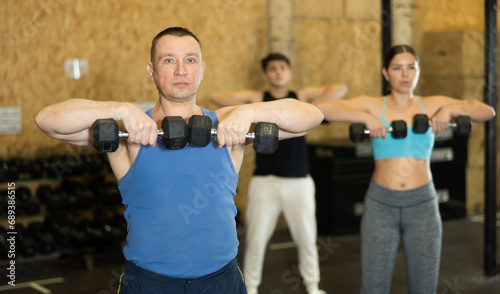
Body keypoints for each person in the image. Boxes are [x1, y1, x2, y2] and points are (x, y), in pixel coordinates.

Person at [35, 27, 324, 294]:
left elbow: (311, 117)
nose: (181, 70)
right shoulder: (127, 133)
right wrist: (122, 108)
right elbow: (47, 120)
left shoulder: (228, 124)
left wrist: (248, 113)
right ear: (151, 70)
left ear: (202, 70)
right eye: (169, 61)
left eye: (190, 60)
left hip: (221, 281)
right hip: (150, 283)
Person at [316, 45, 495, 294]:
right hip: (381, 205)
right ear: (385, 73)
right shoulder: (373, 105)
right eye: (397, 68)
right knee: (374, 288)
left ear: (418, 71)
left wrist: (450, 110)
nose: (405, 74)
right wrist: (365, 118)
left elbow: (487, 111)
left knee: (424, 288)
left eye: (412, 67)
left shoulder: (431, 104)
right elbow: (324, 109)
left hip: (422, 205)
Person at [210, 53, 347, 294]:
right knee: (256, 239)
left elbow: (340, 88)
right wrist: (253, 110)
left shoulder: (300, 98)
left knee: (306, 238)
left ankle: (313, 286)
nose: (278, 72)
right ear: (266, 75)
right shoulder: (258, 99)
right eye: (272, 69)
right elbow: (215, 97)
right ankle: (250, 288)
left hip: (299, 181)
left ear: (289, 72)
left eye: (282, 68)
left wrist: (311, 107)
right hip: (266, 182)